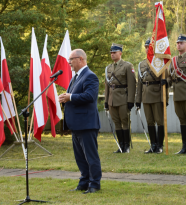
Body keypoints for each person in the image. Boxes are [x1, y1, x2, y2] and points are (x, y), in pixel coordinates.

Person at [58, 49, 102, 194]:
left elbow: (90, 96)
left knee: (90, 156)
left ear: (81, 59)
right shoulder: (75, 77)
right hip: (76, 124)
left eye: (71, 59)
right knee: (80, 157)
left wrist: (70, 97)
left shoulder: (90, 76)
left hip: (87, 123)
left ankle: (94, 184)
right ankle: (84, 182)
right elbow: (74, 96)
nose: (69, 62)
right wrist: (65, 98)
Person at [135, 38, 169, 154]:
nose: (147, 49)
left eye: (149, 47)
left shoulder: (160, 62)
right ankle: (153, 145)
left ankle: (159, 145)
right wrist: (138, 100)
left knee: (159, 121)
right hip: (145, 96)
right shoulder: (141, 64)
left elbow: (167, 79)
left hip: (157, 95)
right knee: (150, 121)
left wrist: (165, 99)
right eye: (146, 47)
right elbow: (139, 83)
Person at [105, 43, 136, 153]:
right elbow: (107, 86)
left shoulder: (127, 66)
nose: (112, 54)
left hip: (123, 98)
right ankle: (121, 145)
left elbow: (132, 84)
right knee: (116, 122)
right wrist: (106, 101)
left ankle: (126, 146)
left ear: (120, 53)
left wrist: (131, 100)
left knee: (125, 122)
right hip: (112, 100)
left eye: (114, 52)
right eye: (111, 53)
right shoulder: (108, 68)